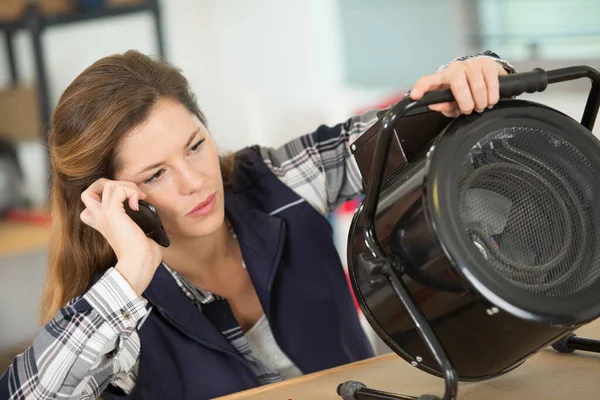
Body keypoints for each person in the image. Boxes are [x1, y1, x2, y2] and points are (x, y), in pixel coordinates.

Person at [0, 49, 515, 399]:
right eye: (156, 174)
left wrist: (473, 72)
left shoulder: (274, 178)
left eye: (196, 145)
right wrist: (132, 272)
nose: (195, 182)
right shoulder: (113, 310)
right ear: (113, 197)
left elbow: (410, 128)